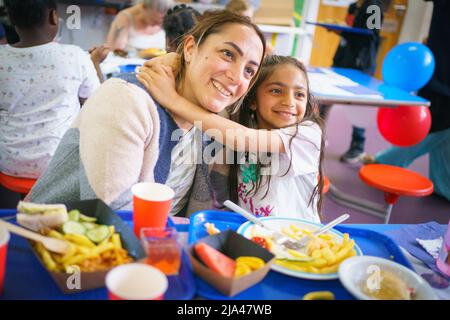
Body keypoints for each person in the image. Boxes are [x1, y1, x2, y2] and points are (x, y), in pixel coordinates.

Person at [26, 11, 266, 215]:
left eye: (249, 71)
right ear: (191, 48)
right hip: (57, 245)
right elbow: (112, 213)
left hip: (153, 245)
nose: (236, 77)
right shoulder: (126, 99)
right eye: (227, 54)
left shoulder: (214, 122)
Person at [137, 55, 324, 222]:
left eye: (299, 94)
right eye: (276, 91)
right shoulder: (237, 124)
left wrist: (172, 100)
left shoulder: (307, 134)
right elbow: (214, 104)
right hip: (256, 237)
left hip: (302, 240)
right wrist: (178, 59)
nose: (289, 101)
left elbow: (242, 138)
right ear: (252, 101)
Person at [0, 0, 106, 179]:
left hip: (8, 163)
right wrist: (94, 62)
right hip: (59, 163)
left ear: (11, 19)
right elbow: (98, 103)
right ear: (53, 17)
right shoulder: (75, 55)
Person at [362, 0, 450, 202]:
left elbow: (371, 30)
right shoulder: (368, 6)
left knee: (435, 126)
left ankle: (386, 161)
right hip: (439, 73)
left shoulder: (372, 5)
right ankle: (444, 183)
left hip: (442, 79)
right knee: (441, 131)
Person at [320, 0, 384, 163]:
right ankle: (315, 136)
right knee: (325, 99)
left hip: (360, 63)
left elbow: (371, 34)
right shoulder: (354, 6)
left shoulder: (374, 7)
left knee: (358, 106)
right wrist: (339, 31)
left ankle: (357, 146)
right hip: (343, 58)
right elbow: (349, 29)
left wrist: (342, 31)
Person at [105, 0, 173, 53]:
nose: (158, 25)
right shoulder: (124, 18)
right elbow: (114, 51)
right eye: (154, 21)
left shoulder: (170, 17)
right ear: (144, 7)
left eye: (161, 22)